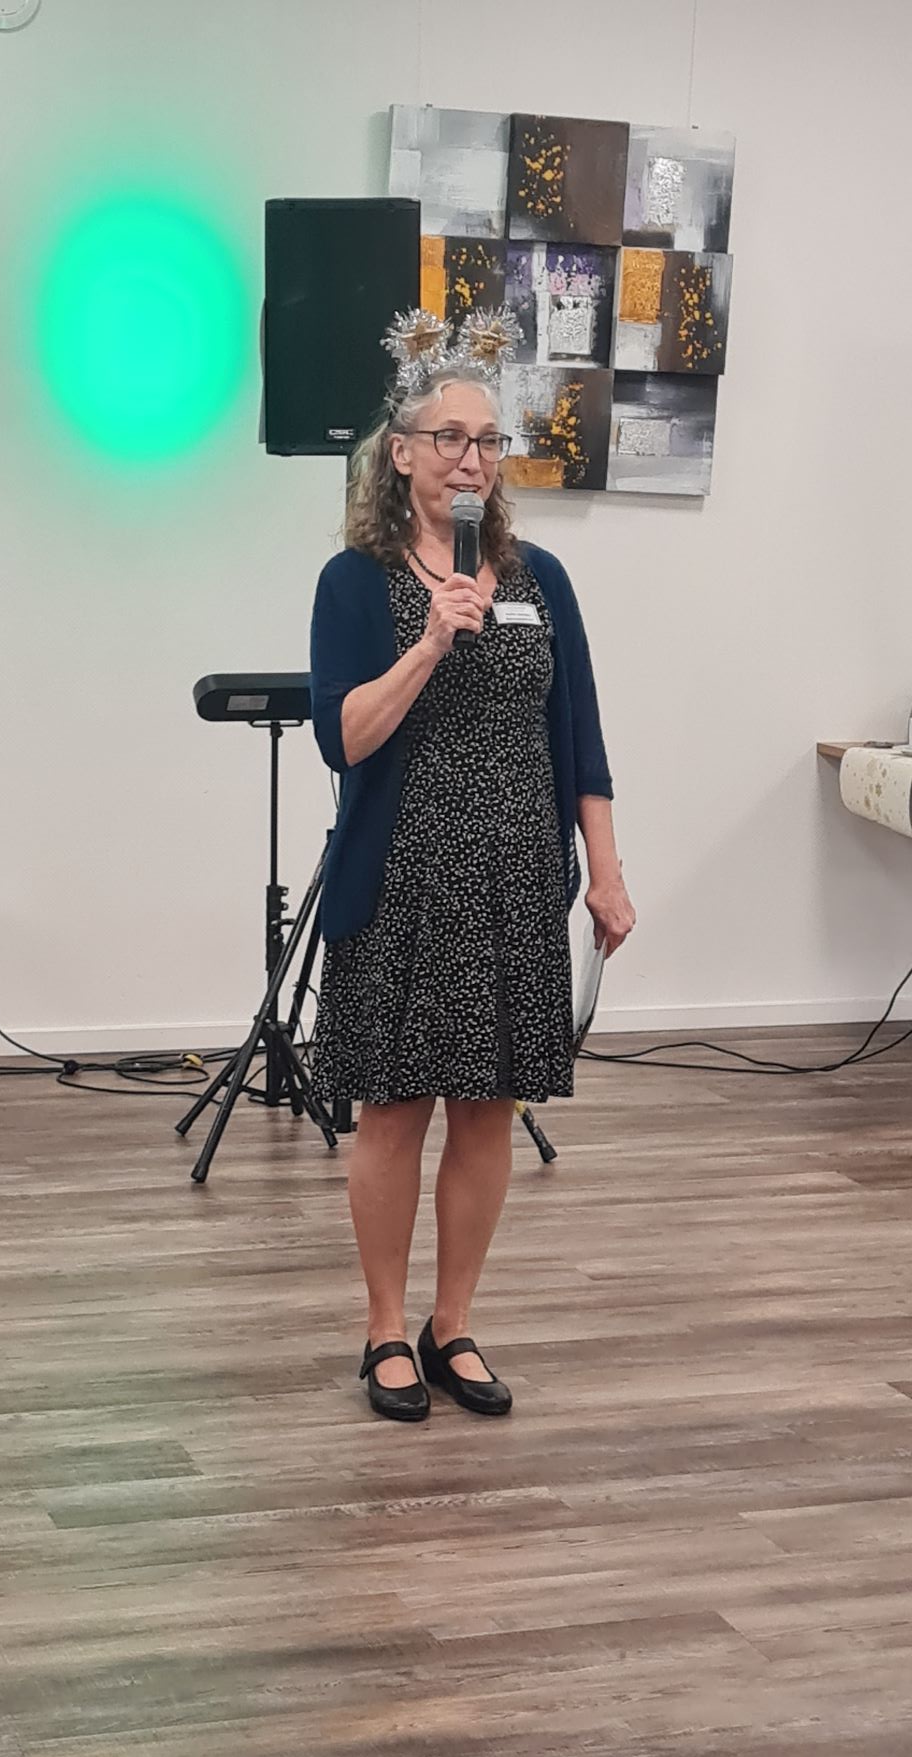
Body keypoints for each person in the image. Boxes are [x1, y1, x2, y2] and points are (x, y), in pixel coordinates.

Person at [308, 314, 635, 1424]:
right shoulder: (354, 583)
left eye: (488, 440)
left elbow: (579, 737)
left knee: (488, 1112)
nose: (470, 459)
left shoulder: (540, 577)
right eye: (448, 437)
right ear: (399, 451)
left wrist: (604, 871)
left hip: (514, 880)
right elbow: (343, 737)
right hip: (400, 882)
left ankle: (452, 1324)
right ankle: (383, 1328)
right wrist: (431, 641)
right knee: (393, 1112)